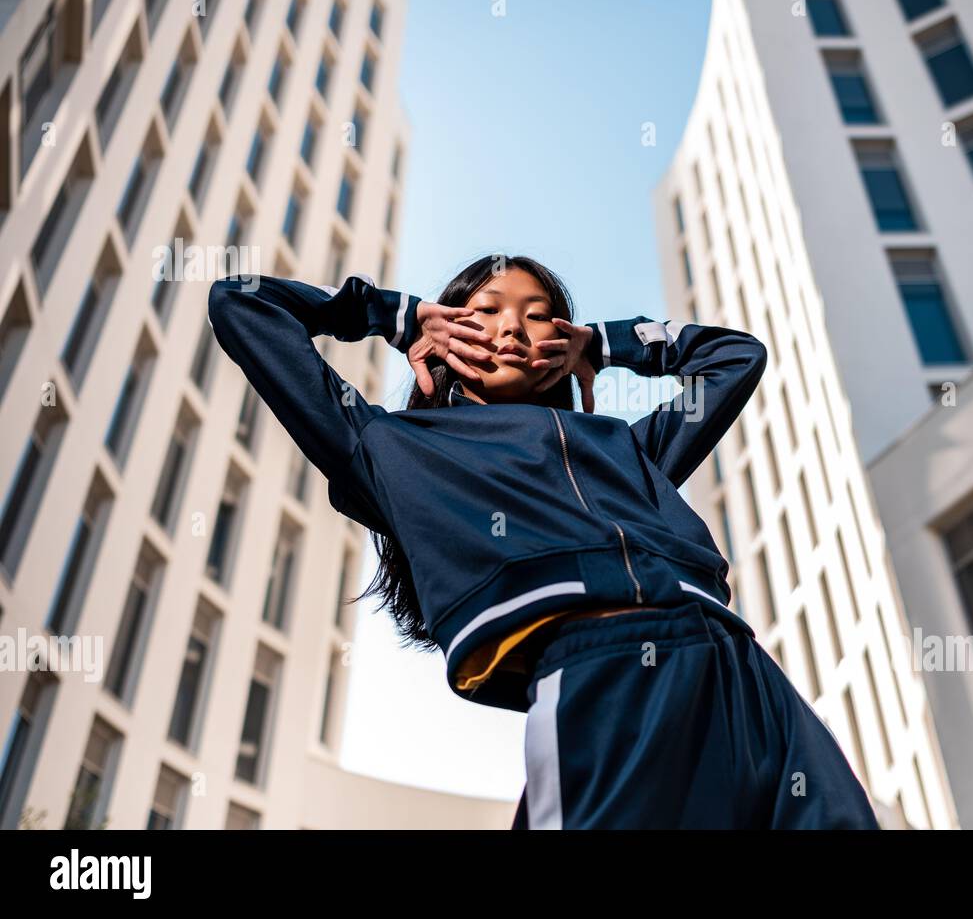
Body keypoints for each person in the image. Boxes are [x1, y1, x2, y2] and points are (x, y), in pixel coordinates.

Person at [207, 254, 879, 830]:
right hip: (604, 679)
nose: (512, 326)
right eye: (485, 309)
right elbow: (240, 303)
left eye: (538, 314)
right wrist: (394, 313)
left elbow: (736, 358)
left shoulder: (626, 449)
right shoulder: (392, 449)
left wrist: (610, 345)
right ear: (444, 332)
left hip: (740, 668)